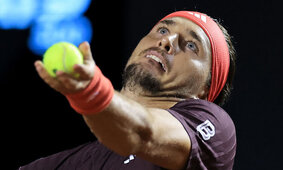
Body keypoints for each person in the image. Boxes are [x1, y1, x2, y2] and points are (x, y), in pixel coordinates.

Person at [20, 11, 236, 170]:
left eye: (191, 45)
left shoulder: (215, 129)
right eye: (162, 30)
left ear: (205, 89)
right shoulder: (70, 163)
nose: (166, 41)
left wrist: (91, 90)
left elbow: (142, 132)